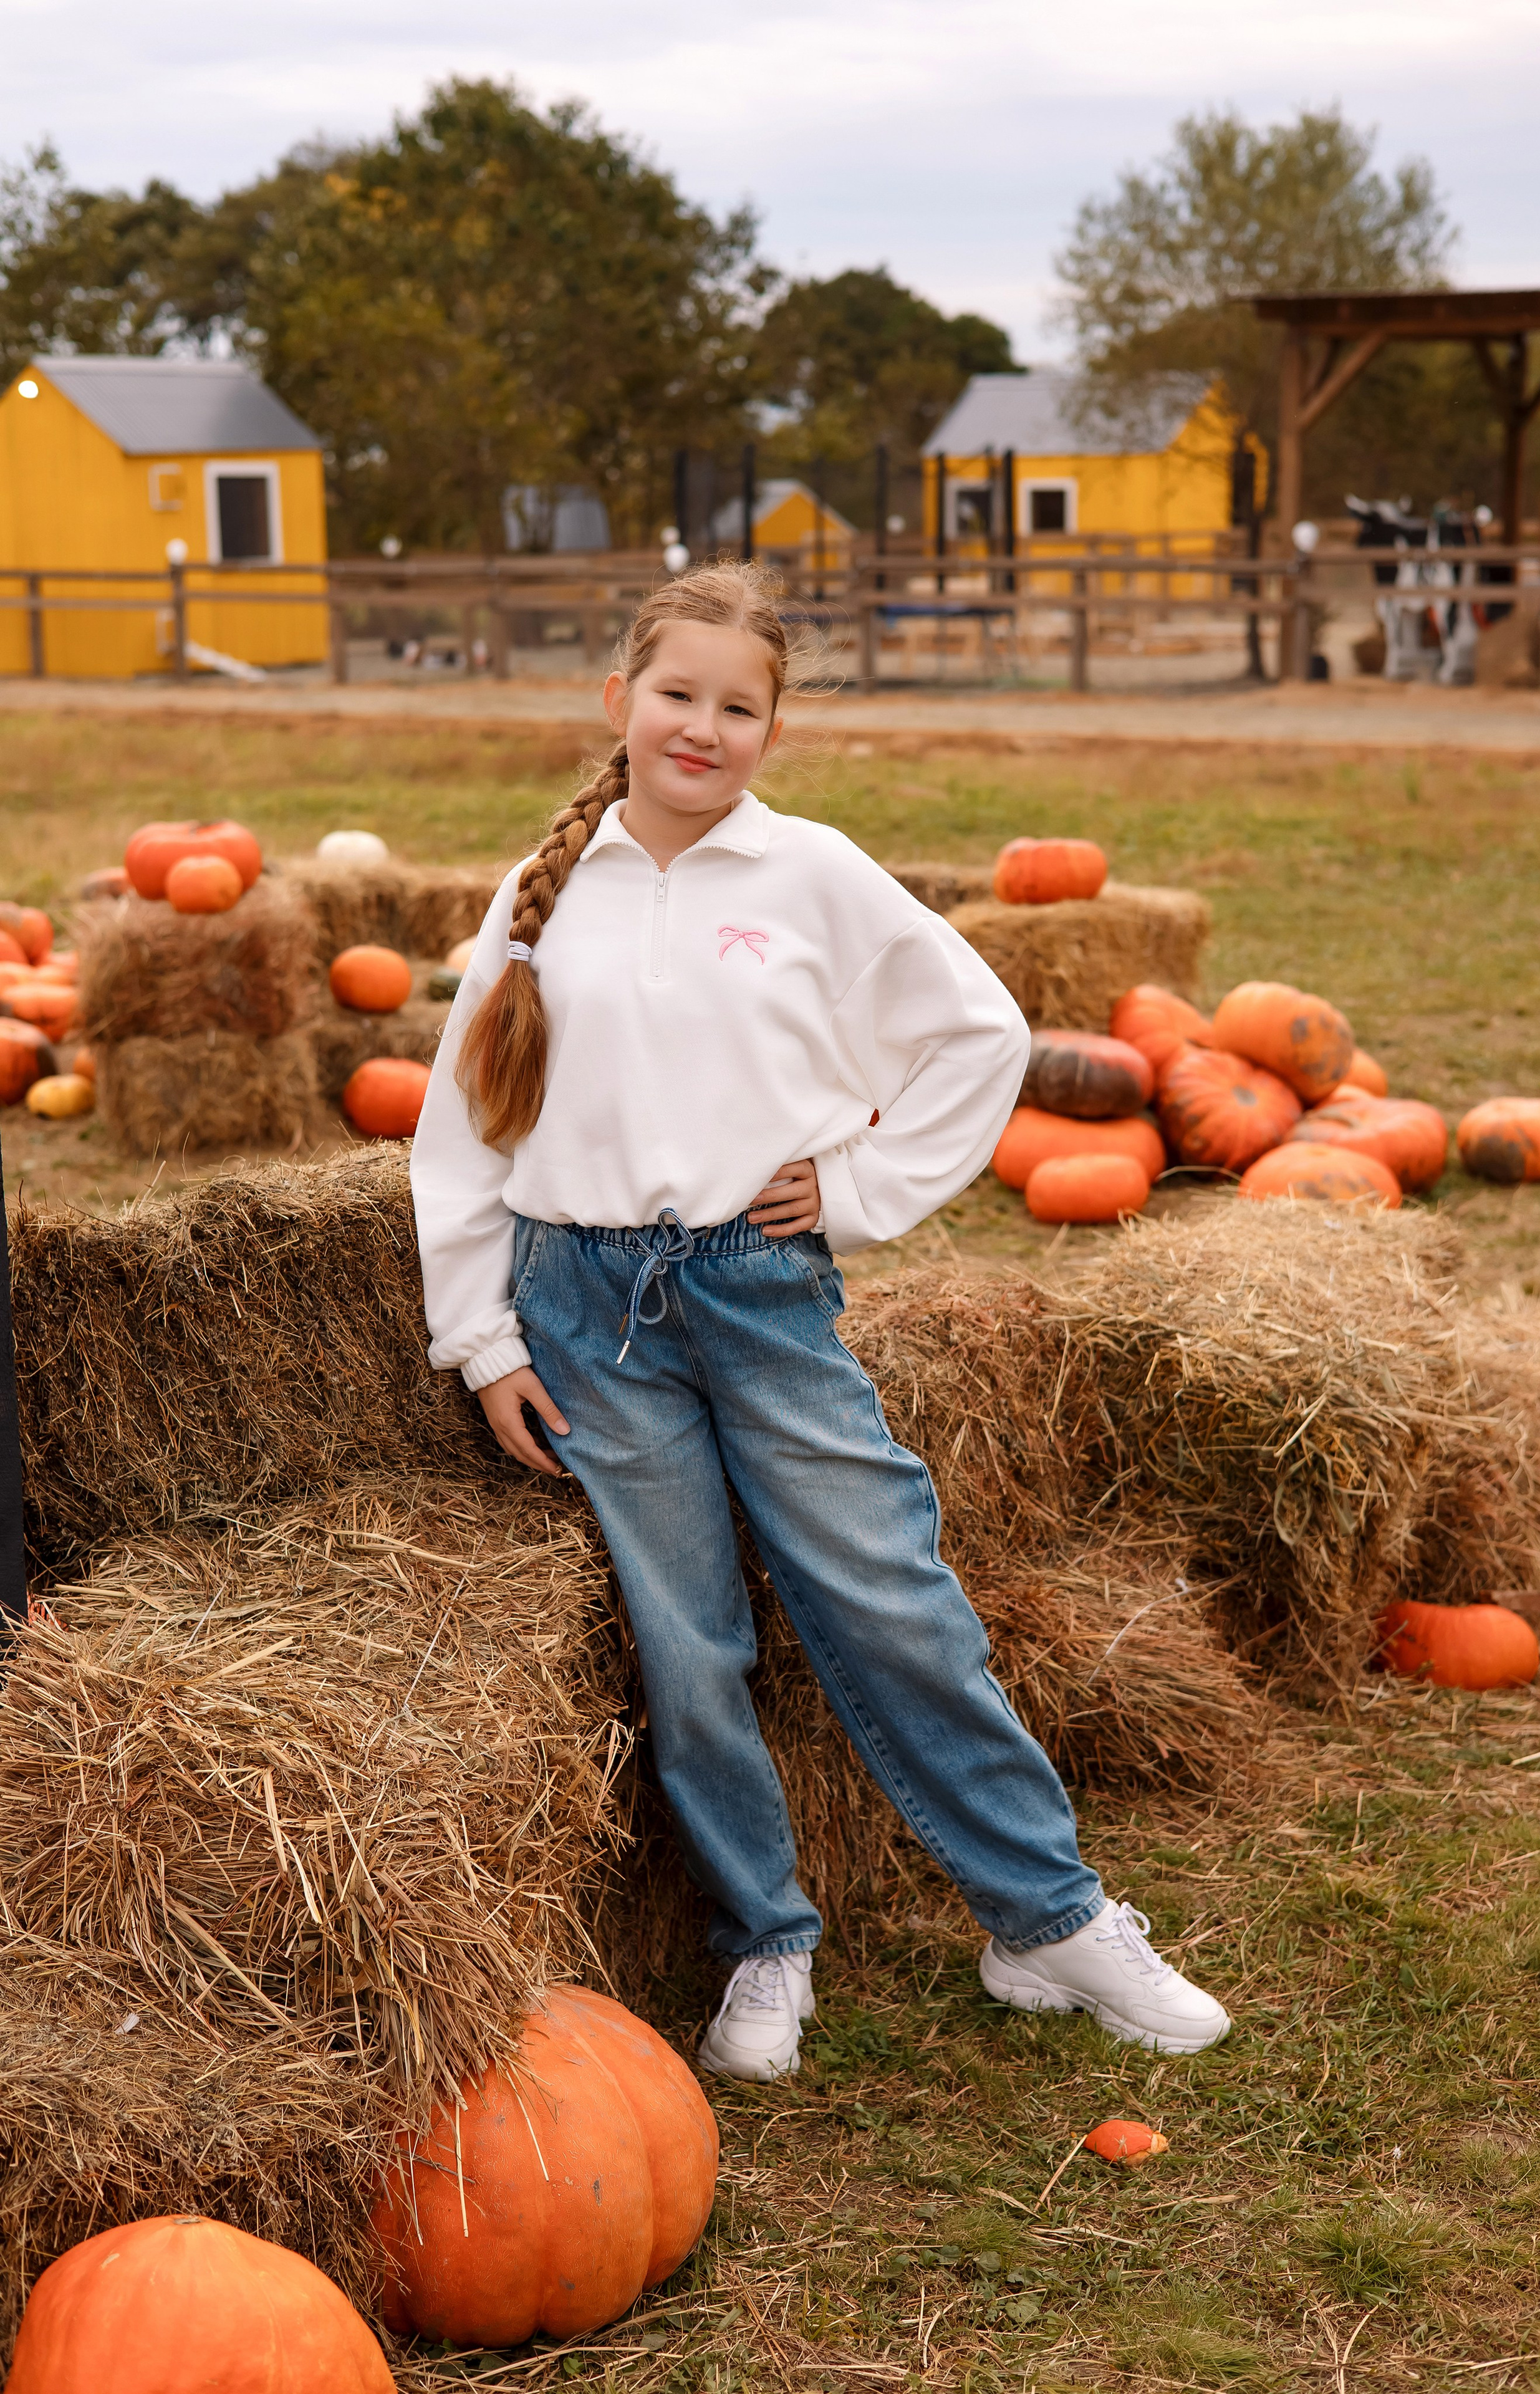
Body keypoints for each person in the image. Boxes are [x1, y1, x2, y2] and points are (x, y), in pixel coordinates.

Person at [410, 562, 1230, 2082]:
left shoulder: (811, 875)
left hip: (754, 1287)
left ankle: (1044, 1918)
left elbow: (977, 1034)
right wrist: (484, 1340)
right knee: (686, 1646)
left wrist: (853, 1189)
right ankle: (763, 1940)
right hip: (586, 1314)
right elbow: (463, 1134)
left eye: (738, 707)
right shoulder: (542, 892)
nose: (701, 727)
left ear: (772, 731)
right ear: (620, 700)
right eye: (676, 694)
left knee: (889, 1594)